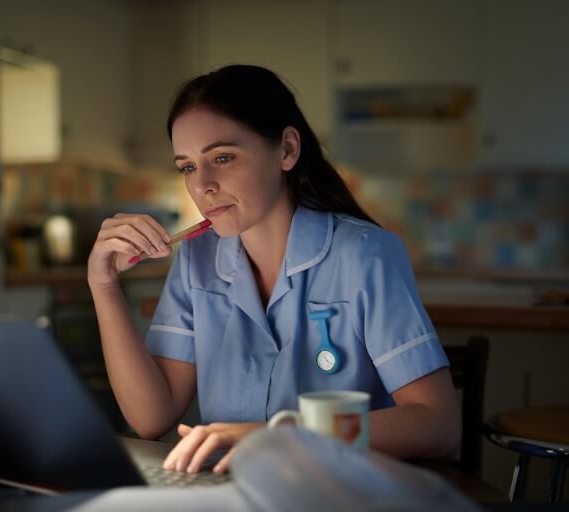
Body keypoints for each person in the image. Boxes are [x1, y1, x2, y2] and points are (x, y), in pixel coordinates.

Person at [86, 65, 459, 475]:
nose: (202, 185)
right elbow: (150, 418)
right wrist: (102, 284)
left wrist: (281, 435)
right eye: (188, 167)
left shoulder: (364, 254)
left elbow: (438, 424)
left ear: (286, 150)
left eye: (222, 157)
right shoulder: (195, 259)